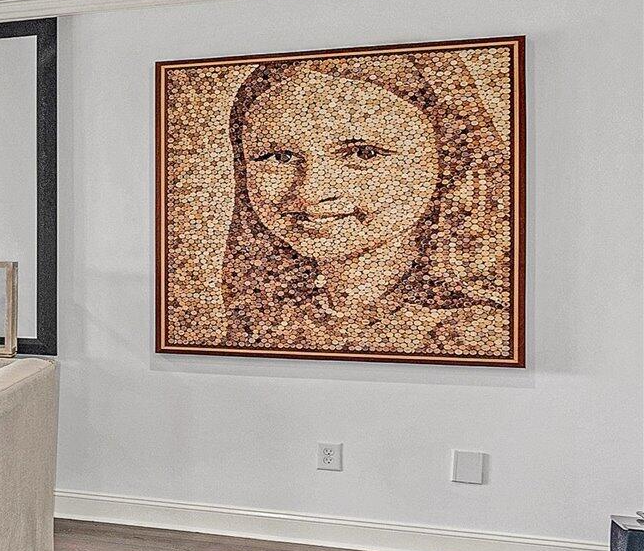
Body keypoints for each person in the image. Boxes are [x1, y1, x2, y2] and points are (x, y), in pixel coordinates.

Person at [218, 47, 513, 358]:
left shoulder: (471, 330)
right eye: (280, 157)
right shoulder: (267, 321)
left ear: (448, 159)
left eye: (363, 153)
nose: (310, 190)